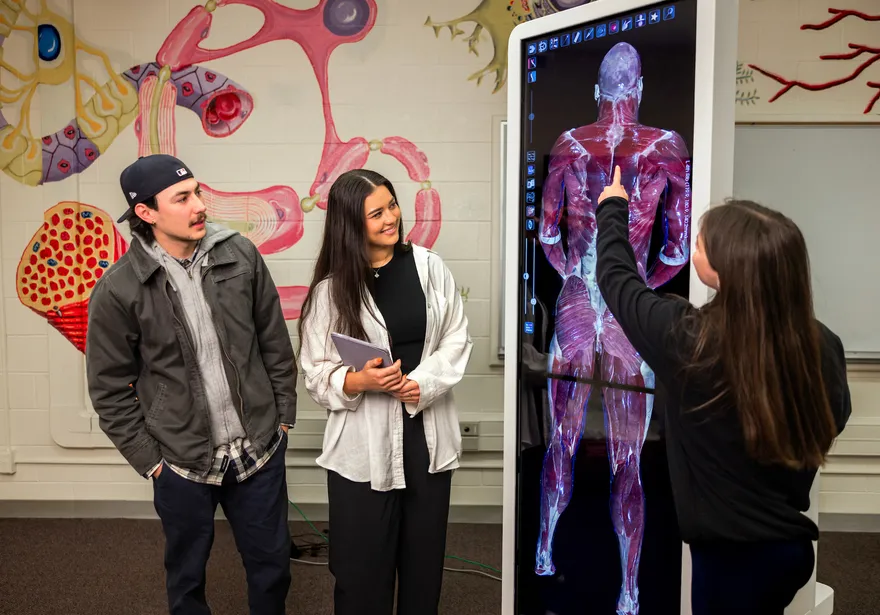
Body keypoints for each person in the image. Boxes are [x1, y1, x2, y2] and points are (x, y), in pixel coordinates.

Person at [594, 166, 852, 615]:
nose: (692, 248)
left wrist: (612, 208)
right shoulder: (823, 343)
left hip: (730, 563)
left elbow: (618, 282)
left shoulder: (689, 340)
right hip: (789, 552)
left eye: (699, 243)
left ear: (727, 268)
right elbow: (834, 420)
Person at [85, 154, 298, 615]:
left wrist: (282, 417)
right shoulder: (119, 290)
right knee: (186, 578)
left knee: (272, 565)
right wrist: (152, 462)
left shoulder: (240, 254)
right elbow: (108, 389)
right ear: (146, 213)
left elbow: (274, 342)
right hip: (180, 463)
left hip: (257, 449)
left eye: (198, 192)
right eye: (182, 198)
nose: (200, 205)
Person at [297, 168, 473, 615]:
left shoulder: (429, 267)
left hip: (427, 442)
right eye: (376, 213)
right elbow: (317, 373)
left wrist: (420, 384)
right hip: (362, 452)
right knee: (360, 576)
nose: (391, 218)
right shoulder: (331, 291)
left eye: (392, 205)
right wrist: (360, 381)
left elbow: (457, 337)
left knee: (422, 572)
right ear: (350, 224)